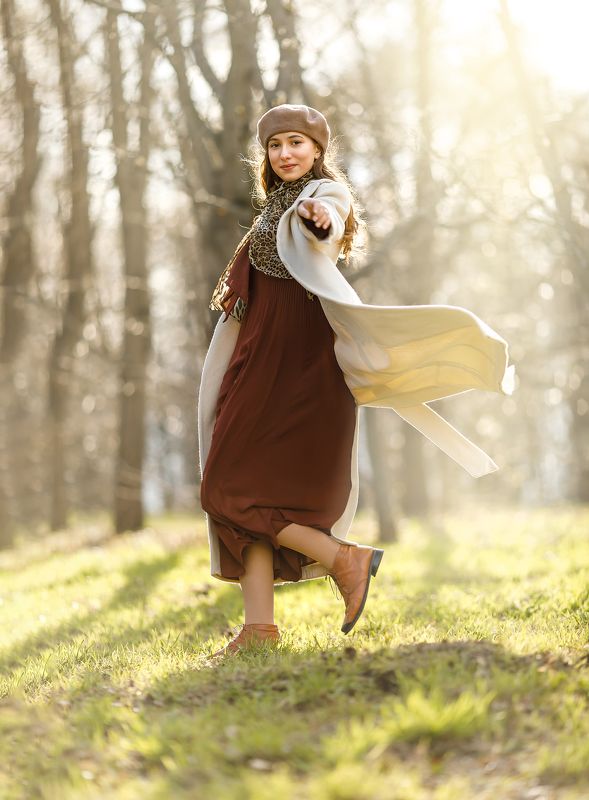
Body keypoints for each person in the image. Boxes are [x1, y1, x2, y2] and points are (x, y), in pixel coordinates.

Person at [198, 103, 514, 660]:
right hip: (257, 364)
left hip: (300, 366)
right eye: (275, 146)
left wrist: (319, 213)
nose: (286, 153)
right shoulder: (268, 209)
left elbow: (329, 212)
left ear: (318, 151)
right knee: (239, 488)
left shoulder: (321, 196)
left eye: (297, 143)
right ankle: (261, 628)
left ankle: (345, 561)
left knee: (228, 488)